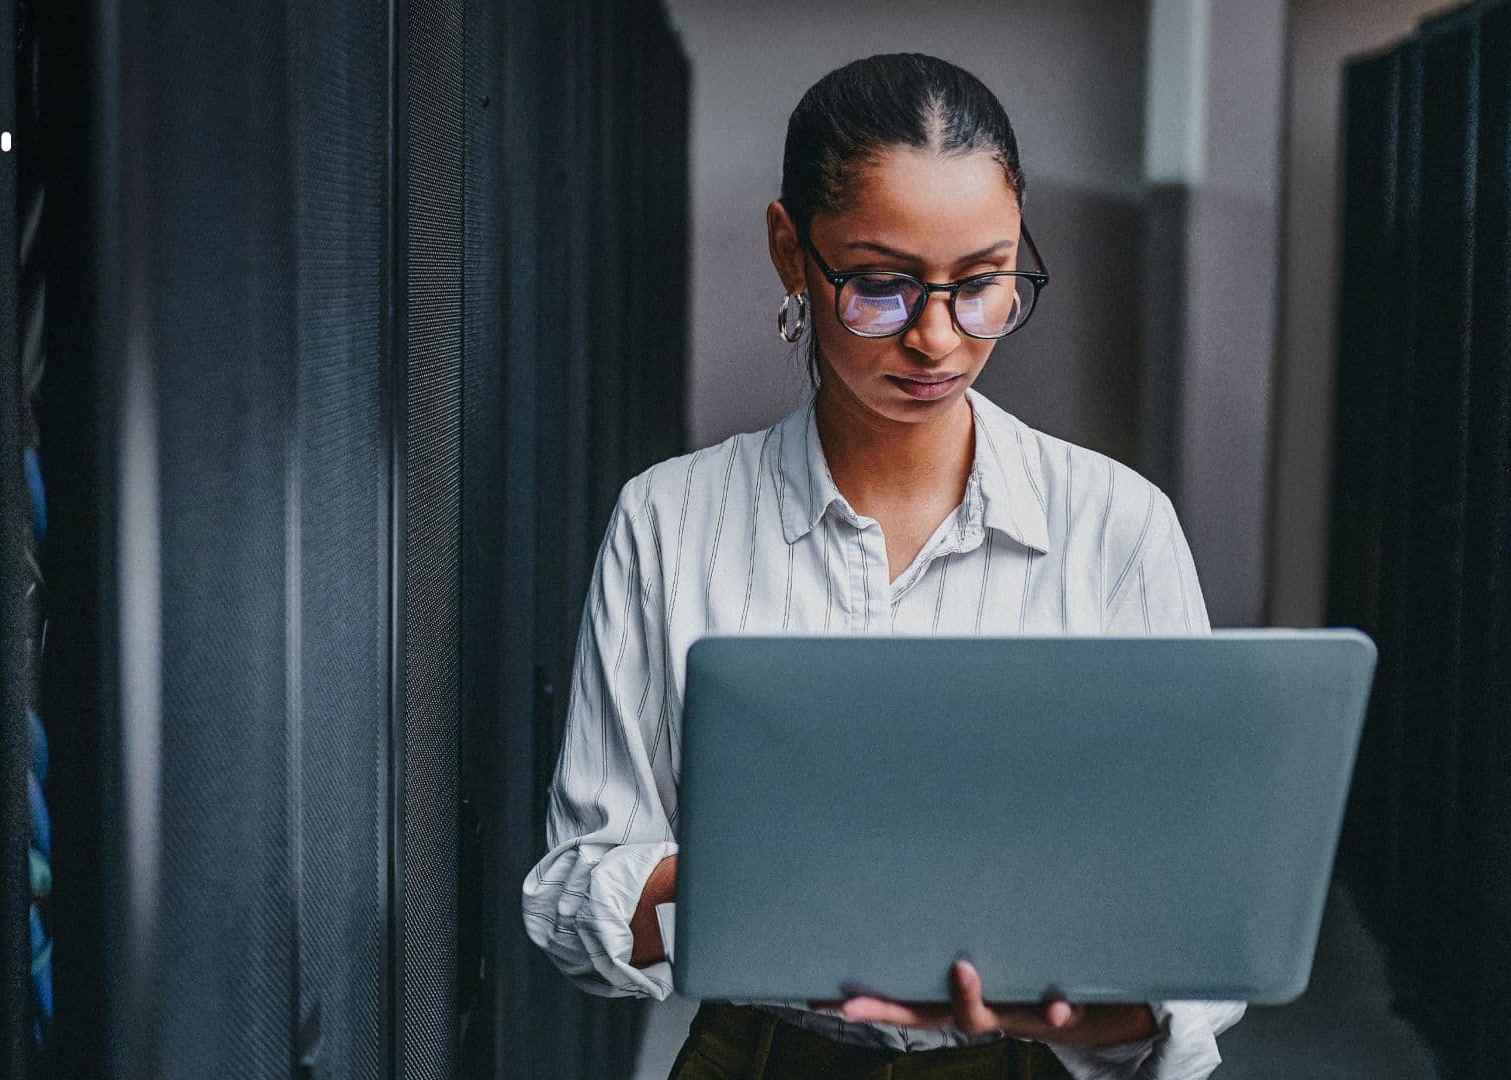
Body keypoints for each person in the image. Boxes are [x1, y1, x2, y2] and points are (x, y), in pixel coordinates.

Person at [521, 52, 1246, 1079]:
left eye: (983, 283)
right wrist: (776, 876)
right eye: (880, 285)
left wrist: (1075, 1017)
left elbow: (1198, 931)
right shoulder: (671, 520)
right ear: (791, 251)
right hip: (762, 1058)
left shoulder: (1116, 526)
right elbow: (571, 899)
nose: (937, 338)